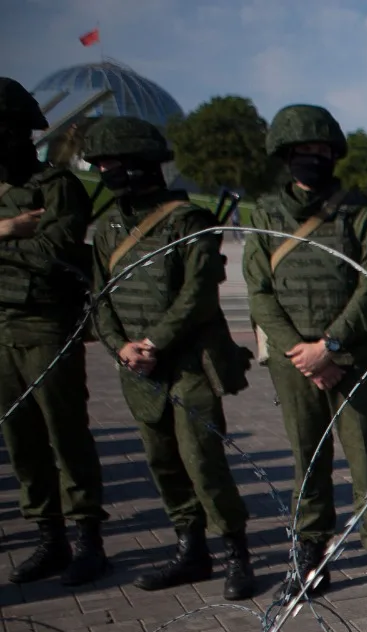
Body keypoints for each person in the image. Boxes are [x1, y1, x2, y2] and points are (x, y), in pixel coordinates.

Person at [84, 116, 255, 599]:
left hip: (187, 363)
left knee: (203, 460)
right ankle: (190, 546)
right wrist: (121, 345)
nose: (104, 171)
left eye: (111, 163)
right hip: (137, 368)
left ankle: (235, 551)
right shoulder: (108, 229)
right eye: (98, 165)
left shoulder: (187, 221)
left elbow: (197, 294)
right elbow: (99, 297)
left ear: (140, 165)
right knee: (162, 461)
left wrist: (152, 343)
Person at [245, 104, 367, 608]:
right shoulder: (265, 216)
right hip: (295, 362)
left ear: (333, 155)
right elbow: (260, 293)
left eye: (320, 151)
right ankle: (310, 557)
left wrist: (330, 345)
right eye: (301, 151)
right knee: (307, 463)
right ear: (285, 156)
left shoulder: (357, 213)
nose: (311, 159)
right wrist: (301, 352)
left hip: (350, 357)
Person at [0, 76, 106, 585]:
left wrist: (18, 241)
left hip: (45, 324)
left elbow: (50, 255)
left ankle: (88, 536)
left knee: (65, 433)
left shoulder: (57, 188)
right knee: (20, 439)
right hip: (1, 330)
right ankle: (49, 536)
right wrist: (4, 230)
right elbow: (28, 248)